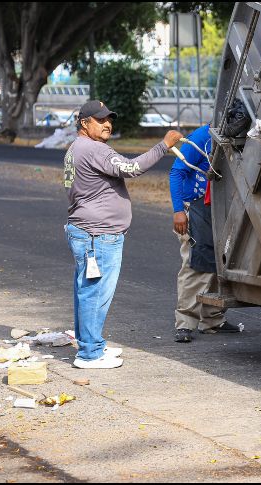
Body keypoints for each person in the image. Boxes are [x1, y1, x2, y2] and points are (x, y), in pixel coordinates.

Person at [64, 100, 183, 368]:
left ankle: (91, 345)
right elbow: (132, 168)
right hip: (98, 236)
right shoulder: (94, 149)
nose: (107, 124)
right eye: (100, 120)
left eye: (109, 119)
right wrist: (164, 145)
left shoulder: (78, 147)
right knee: (95, 294)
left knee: (87, 292)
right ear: (85, 123)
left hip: (88, 232)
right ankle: (89, 354)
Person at [169, 124, 240, 342]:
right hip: (194, 208)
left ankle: (212, 320)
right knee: (194, 266)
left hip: (217, 209)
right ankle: (184, 323)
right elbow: (177, 172)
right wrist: (178, 210)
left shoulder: (237, 136)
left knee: (219, 265)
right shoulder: (202, 137)